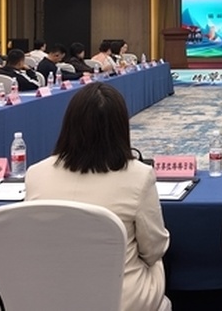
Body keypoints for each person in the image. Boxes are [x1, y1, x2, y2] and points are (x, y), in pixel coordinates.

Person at [26, 83, 169, 311]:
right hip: (119, 301)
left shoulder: (35, 173)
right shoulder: (140, 176)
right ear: (121, 127)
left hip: (50, 297)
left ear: (69, 124)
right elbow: (154, 249)